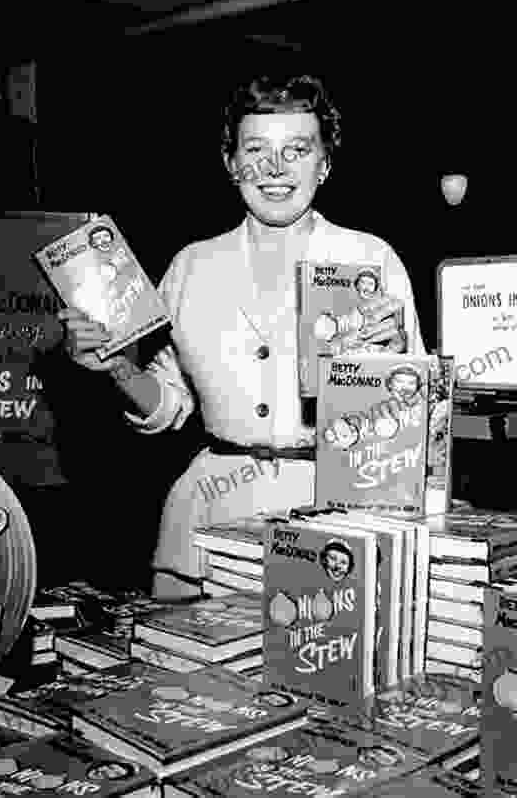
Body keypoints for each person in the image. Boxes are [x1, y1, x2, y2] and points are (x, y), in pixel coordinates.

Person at [59, 74, 426, 599]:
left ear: (324, 164)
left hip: (333, 520)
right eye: (256, 150)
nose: (275, 168)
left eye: (298, 149)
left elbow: (418, 423)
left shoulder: (372, 260)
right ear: (231, 164)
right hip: (204, 521)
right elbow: (169, 405)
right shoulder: (191, 265)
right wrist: (116, 367)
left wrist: (389, 371)